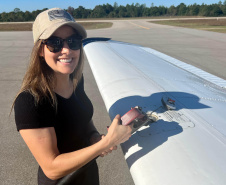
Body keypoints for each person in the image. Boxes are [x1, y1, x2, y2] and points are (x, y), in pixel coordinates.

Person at [13, 8, 132, 185]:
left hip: (88, 176)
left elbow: (84, 120)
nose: (67, 50)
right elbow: (52, 168)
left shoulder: (76, 81)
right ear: (40, 50)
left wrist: (94, 137)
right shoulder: (30, 101)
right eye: (55, 43)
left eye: (73, 41)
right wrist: (106, 143)